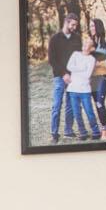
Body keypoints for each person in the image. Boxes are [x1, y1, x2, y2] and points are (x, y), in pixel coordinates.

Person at [42, 13, 80, 141]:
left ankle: (68, 131)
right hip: (59, 77)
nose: (74, 27)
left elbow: (79, 57)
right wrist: (63, 74)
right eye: (73, 25)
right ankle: (54, 133)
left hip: (73, 77)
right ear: (66, 22)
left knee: (71, 105)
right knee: (57, 105)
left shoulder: (77, 38)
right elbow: (52, 60)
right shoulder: (55, 39)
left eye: (76, 25)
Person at [62, 35, 102, 139]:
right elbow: (69, 66)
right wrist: (82, 68)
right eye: (85, 42)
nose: (85, 44)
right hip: (72, 89)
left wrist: (76, 69)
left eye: (88, 43)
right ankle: (83, 132)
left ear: (92, 48)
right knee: (76, 113)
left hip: (85, 90)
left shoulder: (91, 59)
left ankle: (96, 132)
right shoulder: (75, 54)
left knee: (89, 112)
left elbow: (87, 75)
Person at [87, 15, 106, 135]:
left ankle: (104, 130)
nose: (91, 28)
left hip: (103, 76)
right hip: (92, 79)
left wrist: (100, 63)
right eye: (90, 26)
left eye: (93, 26)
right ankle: (104, 127)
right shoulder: (89, 43)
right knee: (96, 103)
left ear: (98, 27)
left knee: (99, 102)